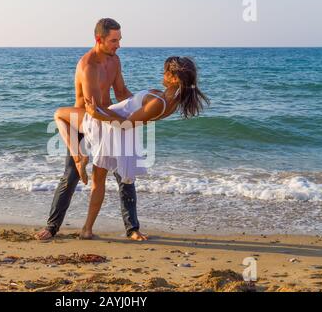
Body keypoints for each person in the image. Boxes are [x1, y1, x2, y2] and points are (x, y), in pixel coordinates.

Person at [53, 55, 209, 239]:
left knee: (59, 115)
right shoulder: (171, 102)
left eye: (166, 71)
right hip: (118, 132)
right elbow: (131, 110)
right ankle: (88, 229)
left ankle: (79, 156)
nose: (163, 73)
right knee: (99, 181)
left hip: (108, 126)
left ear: (175, 78)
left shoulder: (159, 102)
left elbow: (126, 124)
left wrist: (98, 114)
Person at [34, 18, 148, 241]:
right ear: (99, 39)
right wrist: (123, 122)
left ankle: (132, 229)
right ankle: (52, 227)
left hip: (107, 120)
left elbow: (122, 92)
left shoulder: (115, 61)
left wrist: (143, 104)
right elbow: (93, 109)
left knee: (125, 174)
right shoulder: (88, 66)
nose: (118, 45)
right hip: (85, 125)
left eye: (119, 39)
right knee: (71, 176)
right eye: (114, 40)